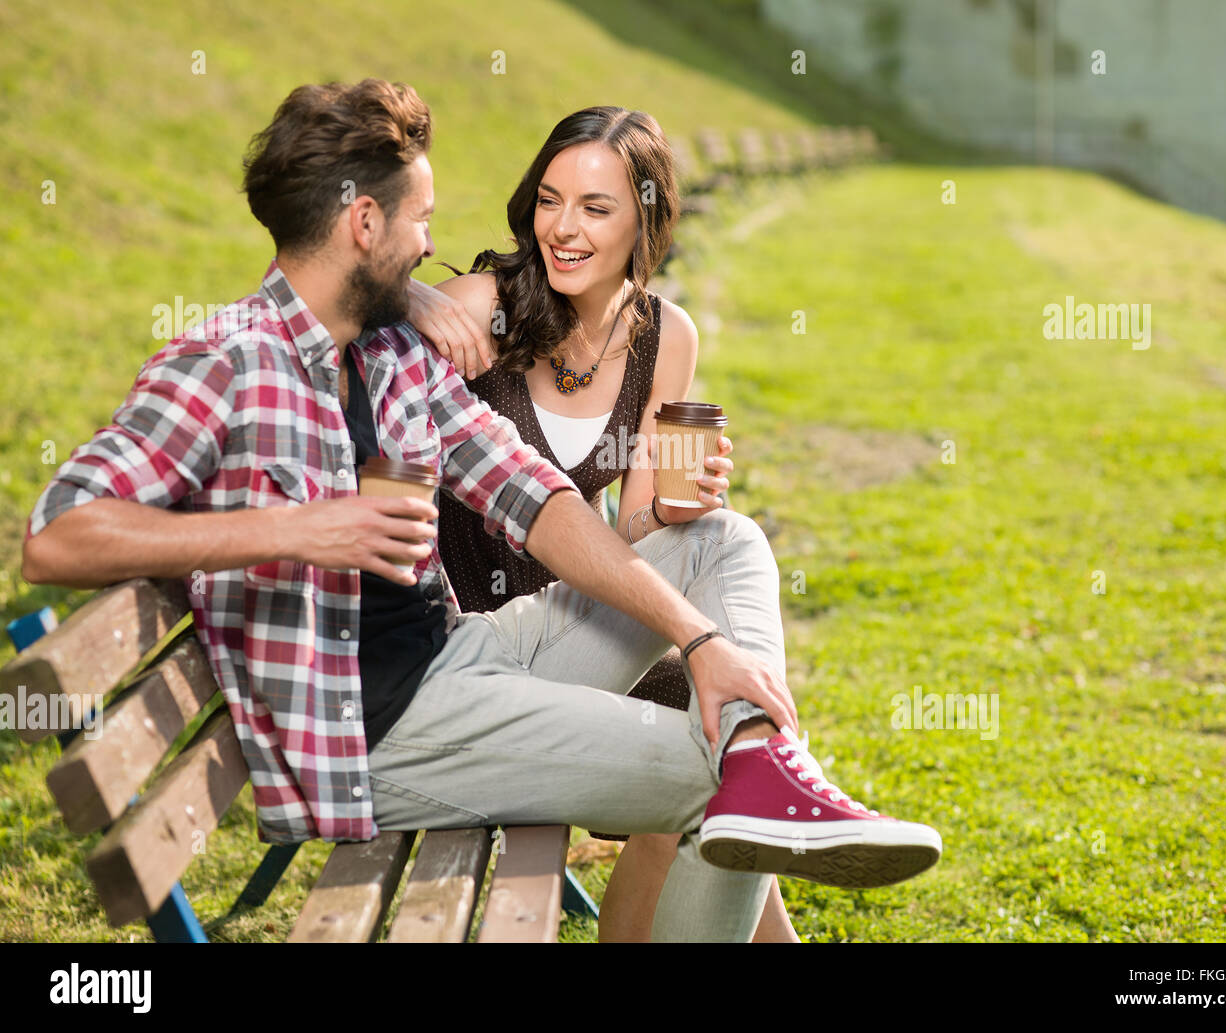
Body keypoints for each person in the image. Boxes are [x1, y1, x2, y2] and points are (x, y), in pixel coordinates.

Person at [21, 79, 942, 943]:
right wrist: (298, 527)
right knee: (721, 785)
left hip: (463, 655)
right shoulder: (226, 360)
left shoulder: (387, 352)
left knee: (729, 542)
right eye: (419, 221)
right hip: (371, 731)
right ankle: (764, 764)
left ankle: (762, 748)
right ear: (364, 221)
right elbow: (57, 534)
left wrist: (699, 642)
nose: (429, 247)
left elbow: (534, 497)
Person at [401, 106, 799, 941]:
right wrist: (408, 290)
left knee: (714, 702)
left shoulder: (664, 336)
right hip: (478, 643)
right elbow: (343, 330)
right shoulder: (484, 304)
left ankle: (768, 765)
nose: (563, 228)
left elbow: (633, 529)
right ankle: (781, 777)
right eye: (550, 200)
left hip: (584, 603)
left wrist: (677, 510)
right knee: (722, 752)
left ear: (643, 219)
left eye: (596, 207)